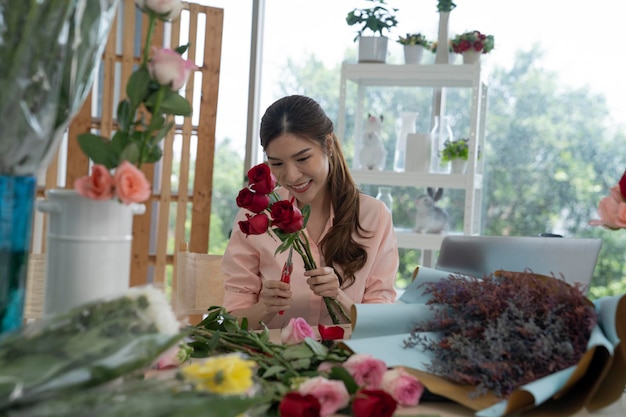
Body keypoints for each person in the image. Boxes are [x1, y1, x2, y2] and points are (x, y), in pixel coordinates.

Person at [222, 95, 398, 329]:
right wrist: (264, 307)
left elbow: (381, 321)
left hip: (346, 360)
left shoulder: (374, 217)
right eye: (277, 164)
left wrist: (339, 298)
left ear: (328, 145)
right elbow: (233, 321)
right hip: (273, 359)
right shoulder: (254, 218)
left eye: (303, 158)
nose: (291, 176)